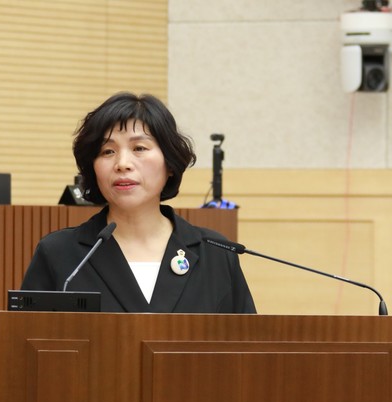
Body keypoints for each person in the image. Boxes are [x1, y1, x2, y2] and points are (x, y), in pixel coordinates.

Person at [20, 92, 256, 313]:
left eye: (139, 148)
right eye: (107, 151)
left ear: (170, 163)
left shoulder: (215, 255)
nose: (122, 164)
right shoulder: (60, 254)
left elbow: (246, 341)